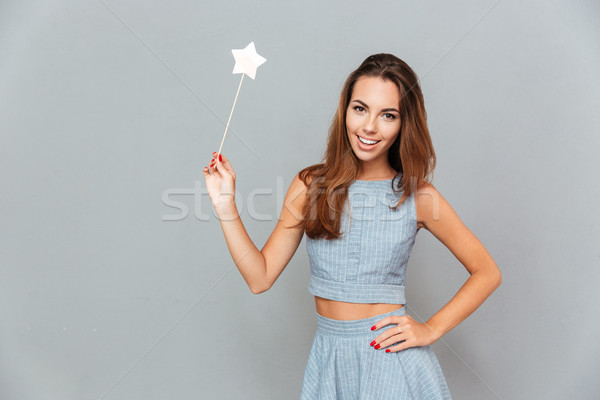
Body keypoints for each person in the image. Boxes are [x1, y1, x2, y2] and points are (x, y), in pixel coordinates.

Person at [202, 53, 502, 399]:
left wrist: (431, 329)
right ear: (345, 110)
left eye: (388, 115)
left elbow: (487, 271)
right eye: (360, 108)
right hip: (329, 359)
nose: (369, 126)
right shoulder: (310, 184)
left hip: (391, 361)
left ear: (404, 124)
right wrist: (225, 205)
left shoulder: (418, 196)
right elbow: (260, 277)